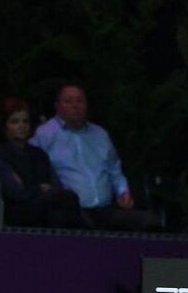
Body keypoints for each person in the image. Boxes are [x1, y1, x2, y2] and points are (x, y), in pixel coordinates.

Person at [30, 84, 153, 231]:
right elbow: (31, 165)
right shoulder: (44, 134)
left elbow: (114, 169)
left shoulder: (100, 134)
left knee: (147, 221)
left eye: (80, 101)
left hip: (106, 210)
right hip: (71, 212)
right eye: (69, 101)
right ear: (57, 106)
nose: (75, 106)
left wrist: (122, 191)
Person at [0, 96, 82, 228]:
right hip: (16, 210)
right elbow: (14, 191)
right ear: (4, 126)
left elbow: (56, 185)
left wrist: (40, 189)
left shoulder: (39, 154)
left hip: (43, 204)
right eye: (14, 122)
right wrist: (40, 188)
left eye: (25, 121)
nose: (21, 126)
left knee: (68, 199)